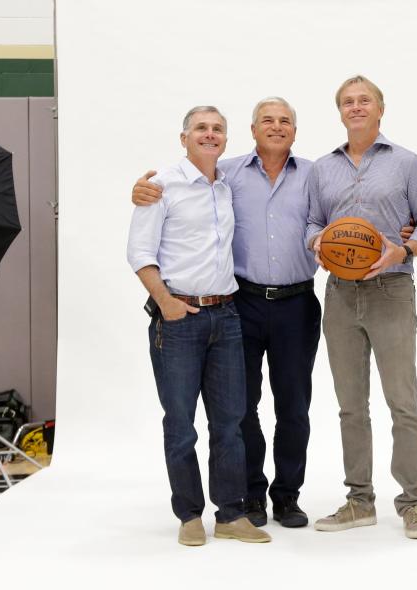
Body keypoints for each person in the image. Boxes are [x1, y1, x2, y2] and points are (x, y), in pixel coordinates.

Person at [132, 98, 319, 528]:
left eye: (285, 121)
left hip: (294, 304)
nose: (276, 127)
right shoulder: (223, 172)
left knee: (293, 406)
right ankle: (247, 497)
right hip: (243, 305)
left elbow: (342, 209)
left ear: (294, 130)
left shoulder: (313, 173)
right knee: (239, 410)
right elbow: (149, 232)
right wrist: (141, 190)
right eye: (266, 121)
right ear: (252, 131)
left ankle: (286, 497)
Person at [126, 106, 270, 546]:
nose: (210, 135)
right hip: (179, 320)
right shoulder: (161, 186)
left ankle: (230, 514)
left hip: (226, 317)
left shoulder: (225, 186)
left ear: (226, 139)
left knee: (230, 421)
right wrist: (166, 302)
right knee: (182, 423)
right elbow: (139, 253)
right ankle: (189, 514)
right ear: (184, 137)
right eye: (201, 129)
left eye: (217, 129)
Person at [306, 75, 417, 540]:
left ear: (380, 109)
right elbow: (311, 223)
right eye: (348, 101)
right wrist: (317, 239)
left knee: (402, 402)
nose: (356, 107)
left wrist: (404, 251)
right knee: (350, 405)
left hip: (391, 291)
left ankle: (414, 503)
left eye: (365, 100)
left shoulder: (406, 162)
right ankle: (359, 501)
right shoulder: (322, 168)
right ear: (340, 112)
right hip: (340, 295)